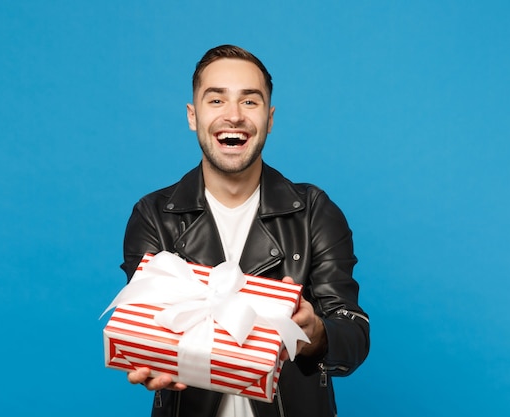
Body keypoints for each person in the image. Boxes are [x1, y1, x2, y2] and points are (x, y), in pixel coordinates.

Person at [120, 44, 370, 417]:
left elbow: (354, 334)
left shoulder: (315, 211)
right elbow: (146, 325)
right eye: (216, 101)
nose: (233, 116)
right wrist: (149, 355)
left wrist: (314, 333)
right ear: (193, 116)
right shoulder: (154, 215)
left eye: (249, 102)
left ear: (269, 119)